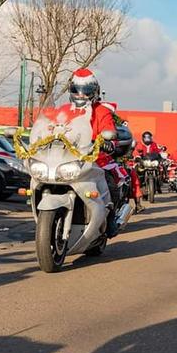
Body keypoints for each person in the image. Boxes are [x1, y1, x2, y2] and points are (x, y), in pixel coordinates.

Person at [69, 67, 119, 237]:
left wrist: (108, 142)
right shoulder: (64, 110)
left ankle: (110, 217)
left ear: (94, 91)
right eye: (77, 90)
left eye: (86, 91)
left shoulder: (102, 111)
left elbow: (109, 129)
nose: (81, 95)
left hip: (95, 159)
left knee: (110, 182)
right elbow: (51, 125)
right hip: (67, 159)